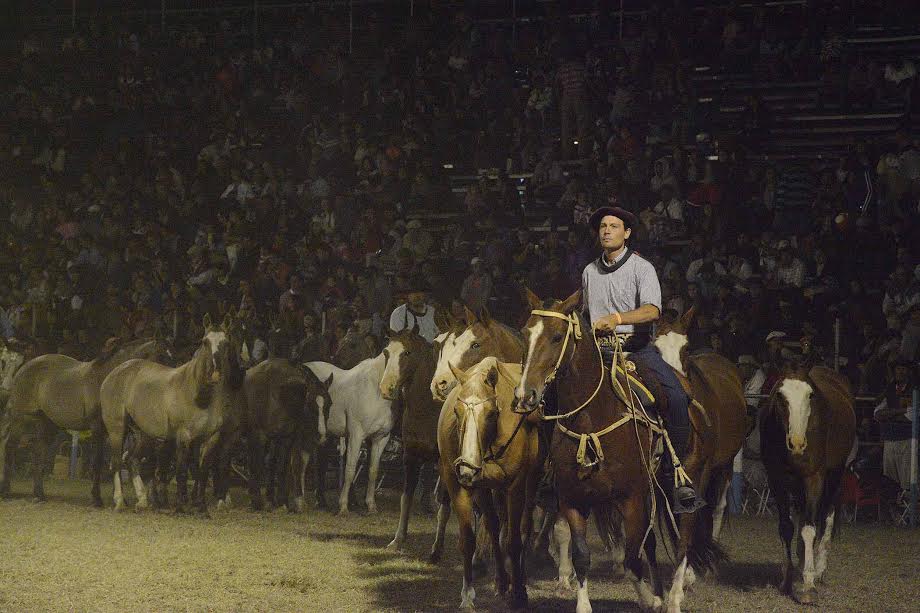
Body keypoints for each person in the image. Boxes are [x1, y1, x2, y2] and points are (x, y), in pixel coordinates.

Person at [582, 206, 702, 513]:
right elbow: (586, 314)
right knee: (552, 392)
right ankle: (550, 473)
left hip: (637, 349)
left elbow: (653, 311)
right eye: (603, 226)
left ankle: (676, 475)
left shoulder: (641, 268)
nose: (606, 230)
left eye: (613, 226)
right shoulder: (588, 272)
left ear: (627, 233)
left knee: (676, 396)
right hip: (598, 352)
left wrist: (617, 318)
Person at [388, 276, 439, 342]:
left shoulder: (433, 312)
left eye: (420, 292)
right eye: (412, 293)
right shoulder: (398, 314)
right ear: (407, 295)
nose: (417, 296)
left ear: (425, 294)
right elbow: (396, 343)